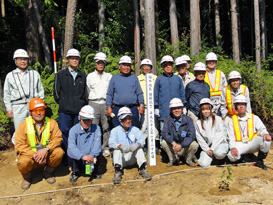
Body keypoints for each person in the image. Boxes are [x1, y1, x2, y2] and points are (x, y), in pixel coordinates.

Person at [15, 98, 64, 190]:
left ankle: (48, 172)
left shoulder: (52, 123)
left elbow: (58, 139)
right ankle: (27, 178)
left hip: (46, 155)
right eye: (35, 110)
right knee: (22, 162)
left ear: (44, 111)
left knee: (59, 152)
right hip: (31, 157)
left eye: (41, 110)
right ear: (31, 112)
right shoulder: (22, 126)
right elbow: (19, 145)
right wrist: (34, 155)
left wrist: (45, 150)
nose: (38, 113)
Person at [53, 48, 87, 164]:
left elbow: (85, 93)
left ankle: (78, 157)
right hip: (65, 111)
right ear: (68, 60)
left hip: (78, 110)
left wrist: (81, 104)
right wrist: (63, 103)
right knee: (64, 132)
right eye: (72, 58)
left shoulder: (82, 76)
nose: (75, 60)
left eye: (76, 58)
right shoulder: (61, 74)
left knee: (78, 133)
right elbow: (56, 93)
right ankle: (68, 156)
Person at [4, 49, 44, 144]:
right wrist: (9, 109)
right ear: (15, 61)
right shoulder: (10, 76)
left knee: (36, 129)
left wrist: (41, 106)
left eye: (25, 59)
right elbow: (7, 94)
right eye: (20, 59)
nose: (23, 61)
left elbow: (41, 91)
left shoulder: (35, 74)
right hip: (18, 107)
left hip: (34, 106)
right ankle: (20, 153)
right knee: (19, 130)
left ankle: (35, 152)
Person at [226, 95, 272, 170]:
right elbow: (230, 137)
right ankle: (245, 156)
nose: (241, 106)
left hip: (252, 143)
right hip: (240, 144)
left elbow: (262, 129)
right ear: (235, 106)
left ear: (246, 106)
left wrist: (265, 134)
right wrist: (233, 147)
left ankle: (259, 160)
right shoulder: (231, 120)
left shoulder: (254, 117)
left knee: (267, 141)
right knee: (231, 156)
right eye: (239, 104)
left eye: (243, 104)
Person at [109, 107, 152, 184]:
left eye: (129, 118)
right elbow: (111, 143)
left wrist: (137, 144)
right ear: (120, 120)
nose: (128, 121)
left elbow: (142, 141)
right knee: (116, 151)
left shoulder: (135, 130)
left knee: (139, 149)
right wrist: (120, 146)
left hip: (132, 158)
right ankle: (118, 171)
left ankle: (142, 169)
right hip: (121, 158)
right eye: (125, 119)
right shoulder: (115, 131)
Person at [106, 55, 144, 128]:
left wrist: (141, 104)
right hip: (117, 108)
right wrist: (108, 106)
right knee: (117, 129)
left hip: (132, 109)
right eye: (124, 65)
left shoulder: (134, 78)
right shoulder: (114, 78)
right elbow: (109, 94)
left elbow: (139, 93)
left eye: (128, 65)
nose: (126, 68)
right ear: (119, 66)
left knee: (133, 129)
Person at [86, 52, 112, 157]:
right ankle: (94, 147)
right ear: (95, 64)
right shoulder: (90, 76)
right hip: (93, 103)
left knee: (106, 126)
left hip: (105, 103)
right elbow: (87, 90)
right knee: (93, 126)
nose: (100, 64)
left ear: (105, 64)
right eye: (98, 62)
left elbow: (111, 91)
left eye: (102, 63)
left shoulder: (109, 76)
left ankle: (105, 147)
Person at [68, 105, 102, 183]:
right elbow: (71, 147)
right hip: (79, 157)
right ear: (80, 118)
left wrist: (92, 155)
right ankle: (75, 172)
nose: (86, 122)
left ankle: (95, 172)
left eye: (88, 120)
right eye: (84, 120)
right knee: (70, 153)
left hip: (91, 157)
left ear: (92, 120)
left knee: (99, 153)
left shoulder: (97, 128)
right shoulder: (73, 130)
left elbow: (97, 144)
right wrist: (82, 156)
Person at [161, 98, 198, 167]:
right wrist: (173, 142)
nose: (177, 110)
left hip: (184, 147)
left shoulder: (188, 120)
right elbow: (164, 133)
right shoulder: (167, 119)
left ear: (182, 109)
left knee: (194, 144)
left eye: (179, 108)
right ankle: (173, 159)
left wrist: (181, 145)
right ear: (171, 110)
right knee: (164, 142)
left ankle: (188, 160)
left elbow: (191, 135)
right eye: (174, 108)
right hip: (173, 147)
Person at [154, 55, 186, 130]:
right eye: (166, 65)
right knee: (164, 132)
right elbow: (156, 94)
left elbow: (182, 93)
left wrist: (184, 106)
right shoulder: (159, 79)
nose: (168, 67)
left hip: (177, 111)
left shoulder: (177, 79)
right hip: (164, 110)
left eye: (170, 65)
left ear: (172, 66)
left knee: (178, 131)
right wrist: (156, 107)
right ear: (162, 67)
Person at [196, 98, 228, 168]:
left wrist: (213, 148)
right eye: (203, 110)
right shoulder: (198, 123)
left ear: (211, 109)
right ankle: (213, 159)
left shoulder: (218, 119)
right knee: (204, 164)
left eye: (208, 109)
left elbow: (219, 135)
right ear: (201, 111)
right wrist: (207, 149)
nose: (206, 111)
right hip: (208, 148)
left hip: (219, 144)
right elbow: (200, 139)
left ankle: (221, 158)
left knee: (219, 153)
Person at [137, 59, 159, 140]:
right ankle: (143, 145)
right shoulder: (137, 79)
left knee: (155, 127)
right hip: (143, 107)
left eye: (148, 66)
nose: (146, 68)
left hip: (154, 107)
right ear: (141, 67)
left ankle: (155, 145)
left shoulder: (156, 78)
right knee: (143, 127)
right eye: (144, 66)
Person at [204, 52, 228, 116]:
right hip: (208, 102)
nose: (211, 63)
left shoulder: (221, 73)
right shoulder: (203, 74)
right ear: (206, 62)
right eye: (209, 61)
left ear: (216, 62)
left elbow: (226, 89)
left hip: (220, 102)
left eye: (213, 61)